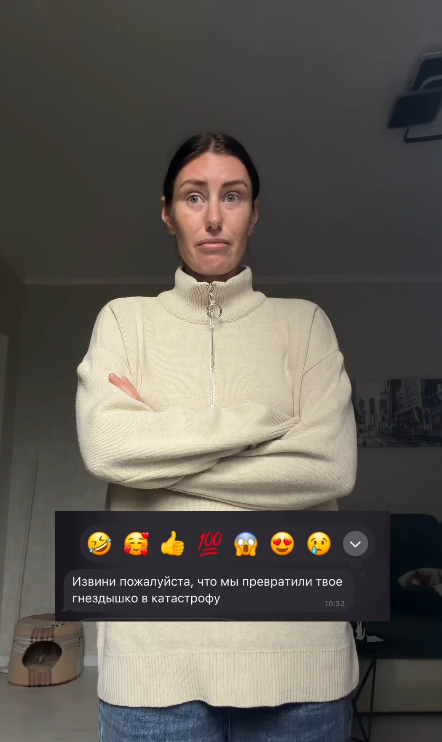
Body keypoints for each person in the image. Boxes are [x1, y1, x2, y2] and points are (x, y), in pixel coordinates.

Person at [76, 132, 358, 741]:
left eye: (232, 196)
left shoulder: (306, 325)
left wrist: (158, 458)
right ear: (167, 212)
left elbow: (330, 466)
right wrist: (261, 424)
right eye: (193, 196)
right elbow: (107, 447)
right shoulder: (124, 320)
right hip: (151, 665)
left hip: (299, 662)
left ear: (253, 213)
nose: (212, 217)